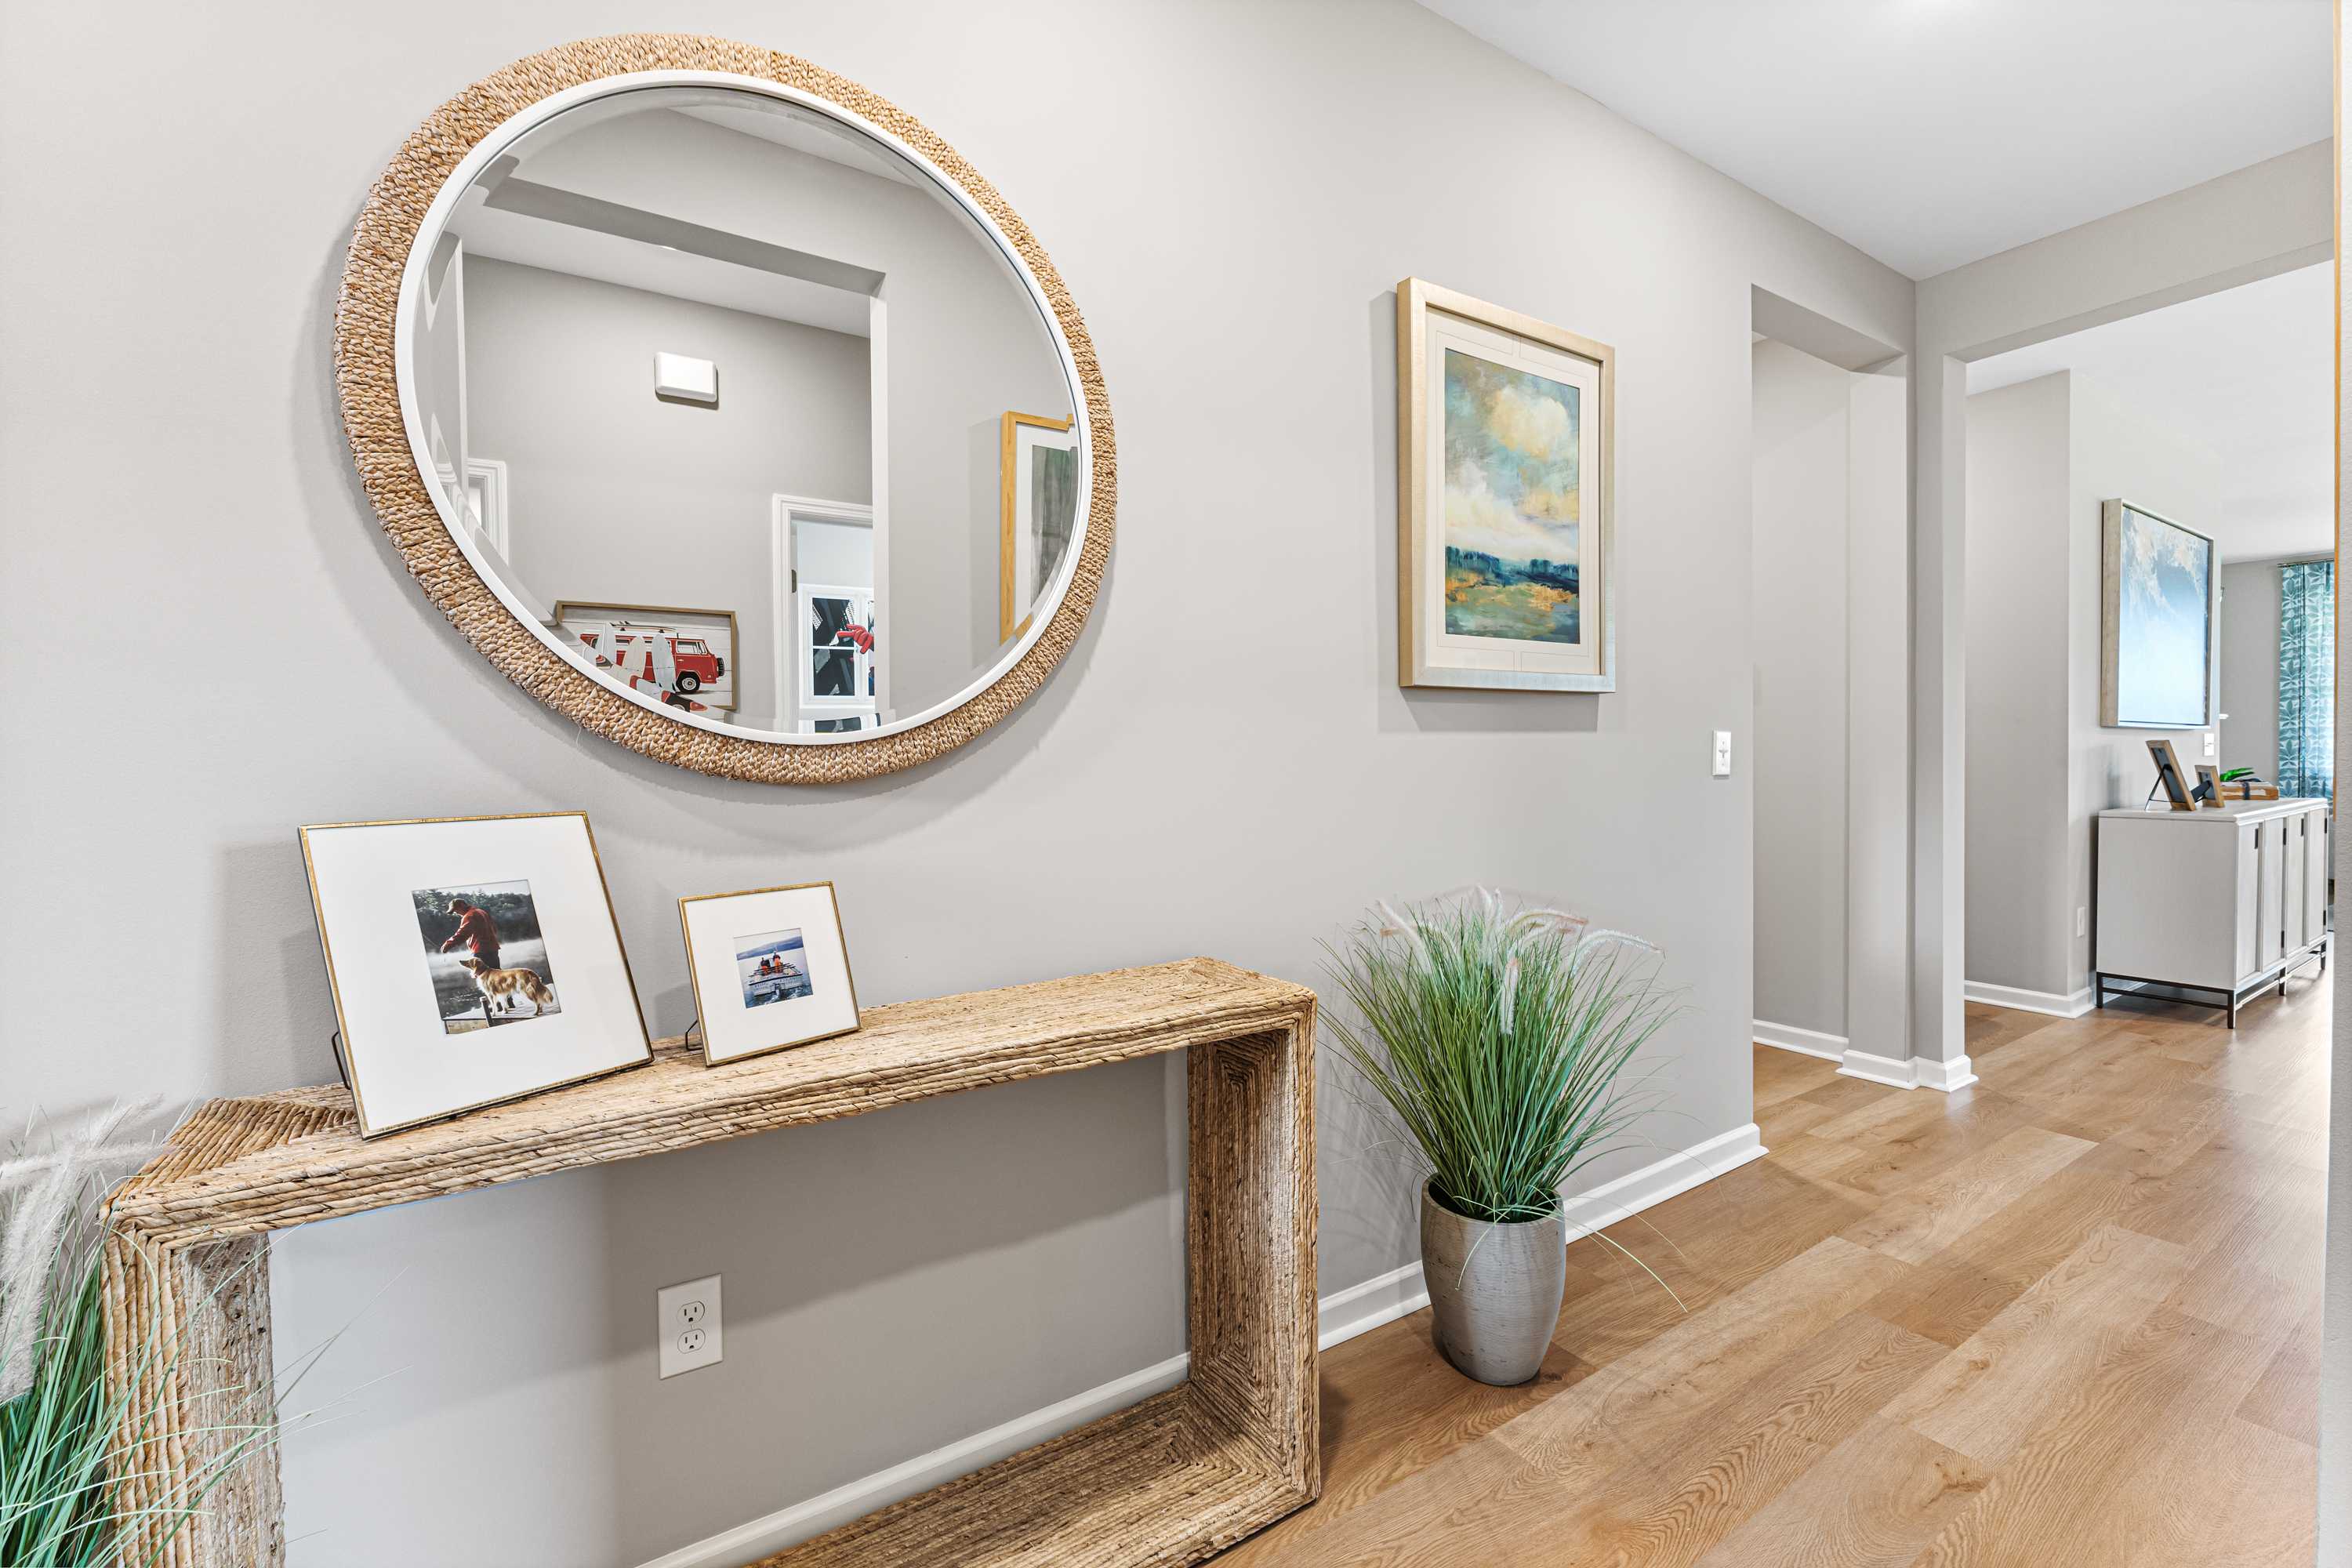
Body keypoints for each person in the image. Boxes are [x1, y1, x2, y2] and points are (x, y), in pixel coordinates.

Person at [440, 897, 502, 971]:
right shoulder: (482, 912)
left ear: (462, 905)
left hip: (480, 951)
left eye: (456, 909)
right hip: (493, 949)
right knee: (497, 974)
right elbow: (494, 928)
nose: (456, 913)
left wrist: (447, 945)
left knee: (480, 975)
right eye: (454, 911)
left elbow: (462, 934)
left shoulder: (469, 916)